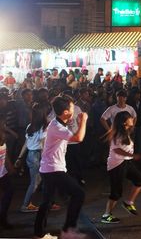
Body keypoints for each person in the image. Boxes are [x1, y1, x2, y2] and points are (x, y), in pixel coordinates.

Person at [34, 96, 88, 239]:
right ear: (65, 112)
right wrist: (83, 121)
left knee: (47, 202)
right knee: (78, 194)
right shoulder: (57, 126)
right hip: (53, 170)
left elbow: (72, 137)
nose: (74, 110)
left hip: (49, 168)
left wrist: (77, 123)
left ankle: (39, 234)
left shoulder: (57, 124)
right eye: (71, 108)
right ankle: (68, 230)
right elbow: (78, 139)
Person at [100, 111, 141, 224]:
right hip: (117, 164)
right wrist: (133, 155)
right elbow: (117, 149)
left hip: (126, 162)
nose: (132, 119)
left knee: (140, 180)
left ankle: (129, 202)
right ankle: (106, 215)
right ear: (124, 122)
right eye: (130, 118)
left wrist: (131, 157)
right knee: (116, 192)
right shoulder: (118, 134)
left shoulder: (125, 132)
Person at [14, 103, 49, 213]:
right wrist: (44, 160)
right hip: (36, 156)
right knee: (35, 182)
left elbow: (26, 143)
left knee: (39, 181)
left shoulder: (30, 126)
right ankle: (25, 205)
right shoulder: (44, 127)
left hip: (30, 155)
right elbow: (43, 146)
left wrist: (20, 158)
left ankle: (39, 203)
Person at [0, 117, 16, 230]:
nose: (5, 128)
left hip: (3, 173)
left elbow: (5, 156)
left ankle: (3, 218)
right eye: (3, 126)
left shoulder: (2, 140)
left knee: (9, 192)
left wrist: (10, 168)